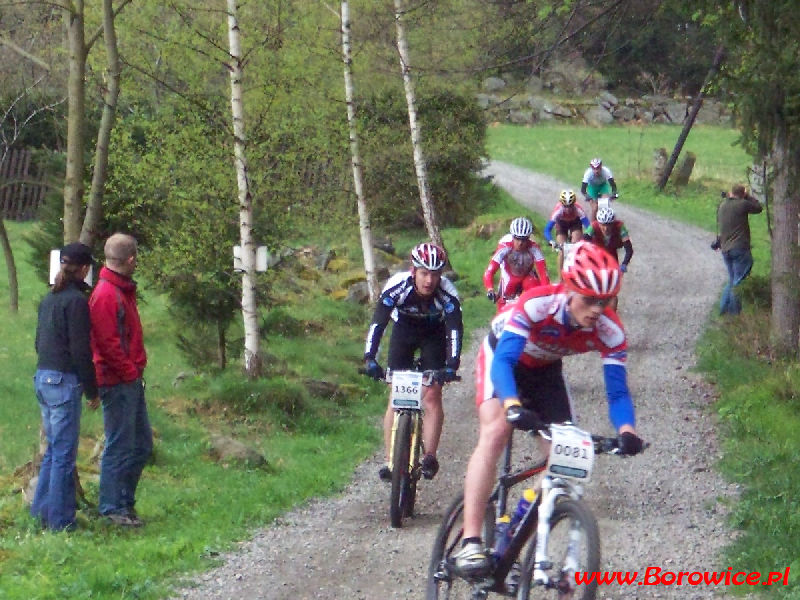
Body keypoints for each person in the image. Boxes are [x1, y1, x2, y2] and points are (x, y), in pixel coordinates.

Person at [454, 242, 645, 575]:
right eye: (589, 299)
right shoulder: (538, 303)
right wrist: (512, 405)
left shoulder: (611, 332)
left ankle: (510, 540)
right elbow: (504, 363)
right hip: (503, 359)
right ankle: (470, 542)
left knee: (564, 459)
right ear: (570, 290)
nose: (597, 309)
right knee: (496, 430)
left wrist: (626, 432)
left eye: (605, 301)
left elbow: (617, 393)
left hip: (545, 371)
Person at [363, 242, 463, 482]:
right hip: (404, 331)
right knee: (395, 395)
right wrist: (370, 358)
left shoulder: (448, 294)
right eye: (424, 273)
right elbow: (378, 323)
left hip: (433, 334)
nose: (429, 280)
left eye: (435, 274)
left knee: (431, 393)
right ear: (413, 271)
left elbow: (454, 331)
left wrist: (451, 365)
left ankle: (429, 455)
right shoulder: (397, 287)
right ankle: (390, 460)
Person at [31, 242, 100, 531]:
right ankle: (61, 521)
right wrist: (92, 389)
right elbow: (81, 350)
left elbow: (38, 342)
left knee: (52, 450)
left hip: (42, 377)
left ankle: (41, 511)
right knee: (63, 454)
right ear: (85, 269)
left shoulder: (50, 299)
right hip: (63, 381)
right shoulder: (76, 302)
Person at [89, 233, 151, 527]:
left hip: (129, 377)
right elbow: (107, 343)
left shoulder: (121, 290)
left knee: (141, 445)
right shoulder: (106, 294)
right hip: (117, 380)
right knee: (120, 444)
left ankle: (124, 503)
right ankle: (112, 508)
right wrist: (129, 373)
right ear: (130, 260)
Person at [712, 184, 763, 315]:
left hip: (725, 248)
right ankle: (734, 314)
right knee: (738, 282)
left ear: (731, 192)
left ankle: (724, 310)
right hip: (739, 248)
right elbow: (758, 208)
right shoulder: (742, 204)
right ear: (742, 194)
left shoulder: (722, 206)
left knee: (733, 280)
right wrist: (748, 196)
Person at [483, 217, 550, 311]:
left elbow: (543, 272)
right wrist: (490, 289)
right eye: (517, 239)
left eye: (524, 239)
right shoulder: (504, 246)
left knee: (535, 290)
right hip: (510, 276)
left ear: (529, 238)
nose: (520, 243)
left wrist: (546, 293)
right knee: (504, 306)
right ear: (512, 236)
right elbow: (490, 271)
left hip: (527, 276)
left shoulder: (534, 248)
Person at [583, 205, 633, 311]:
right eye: (603, 225)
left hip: (611, 259)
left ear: (613, 223)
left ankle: (612, 317)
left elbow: (629, 249)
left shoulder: (620, 226)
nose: (606, 228)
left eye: (609, 225)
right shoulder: (593, 226)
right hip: (596, 258)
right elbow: (583, 244)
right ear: (599, 223)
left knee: (611, 294)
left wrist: (624, 264)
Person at [543, 190, 590, 276]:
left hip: (575, 223)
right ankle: (561, 278)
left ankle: (577, 273)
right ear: (562, 204)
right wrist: (551, 241)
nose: (568, 209)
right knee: (561, 251)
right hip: (561, 224)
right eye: (565, 206)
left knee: (576, 247)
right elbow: (547, 229)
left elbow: (589, 227)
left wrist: (587, 236)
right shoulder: (558, 211)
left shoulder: (578, 210)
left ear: (574, 204)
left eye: (570, 206)